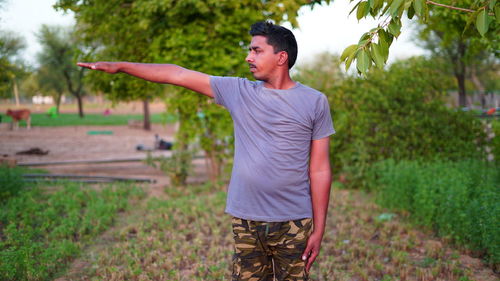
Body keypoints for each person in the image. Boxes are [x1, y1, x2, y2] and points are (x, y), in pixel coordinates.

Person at [78, 21, 335, 281]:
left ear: (281, 57)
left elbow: (320, 168)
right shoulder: (239, 91)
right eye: (250, 50)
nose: (249, 57)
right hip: (246, 219)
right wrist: (121, 67)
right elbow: (176, 74)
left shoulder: (315, 102)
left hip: (294, 221)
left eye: (257, 51)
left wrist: (319, 228)